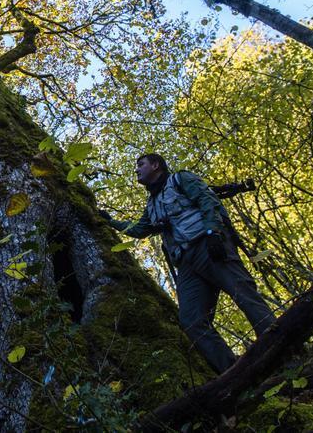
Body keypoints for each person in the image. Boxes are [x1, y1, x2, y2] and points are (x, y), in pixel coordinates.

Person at [99, 153, 274, 373]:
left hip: (208, 246)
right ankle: (234, 372)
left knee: (243, 293)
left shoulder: (180, 179)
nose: (137, 170)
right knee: (191, 320)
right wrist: (110, 221)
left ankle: (281, 348)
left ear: (156, 165)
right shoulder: (152, 204)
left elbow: (206, 200)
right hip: (186, 264)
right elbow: (140, 229)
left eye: (140, 164)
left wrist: (213, 232)